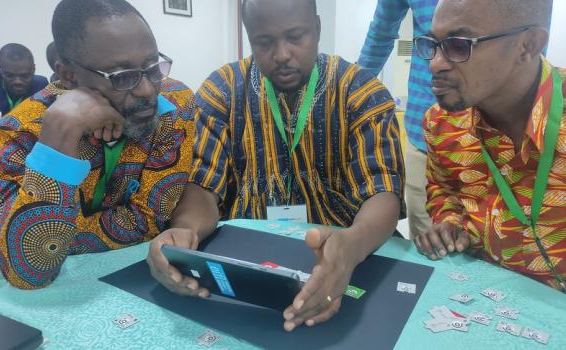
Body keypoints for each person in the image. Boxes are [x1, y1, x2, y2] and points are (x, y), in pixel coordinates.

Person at [147, 0, 405, 331]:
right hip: (245, 259)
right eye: (264, 42)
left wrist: (351, 247)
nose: (281, 54)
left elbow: (382, 193)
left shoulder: (361, 92)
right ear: (249, 37)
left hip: (345, 251)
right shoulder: (222, 91)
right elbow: (203, 188)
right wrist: (186, 231)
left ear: (317, 28)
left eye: (296, 36)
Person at [0, 0, 196, 290]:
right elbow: (29, 270)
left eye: (152, 67)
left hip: (135, 282)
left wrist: (56, 234)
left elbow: (149, 220)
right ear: (68, 76)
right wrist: (58, 136)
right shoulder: (15, 135)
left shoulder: (174, 105)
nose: (147, 89)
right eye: (121, 76)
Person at [413, 0, 565, 292]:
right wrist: (449, 223)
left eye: (458, 45)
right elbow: (443, 190)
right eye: (432, 43)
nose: (434, 63)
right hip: (482, 302)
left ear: (528, 45)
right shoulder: (442, 124)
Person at [359, 0, 438, 239]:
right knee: (429, 244)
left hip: (495, 135)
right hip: (423, 132)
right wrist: (351, 90)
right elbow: (381, 31)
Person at [0, 43, 48, 116]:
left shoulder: (41, 87)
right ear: (0, 67)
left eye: (25, 76)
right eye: (10, 75)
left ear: (33, 69)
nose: (18, 82)